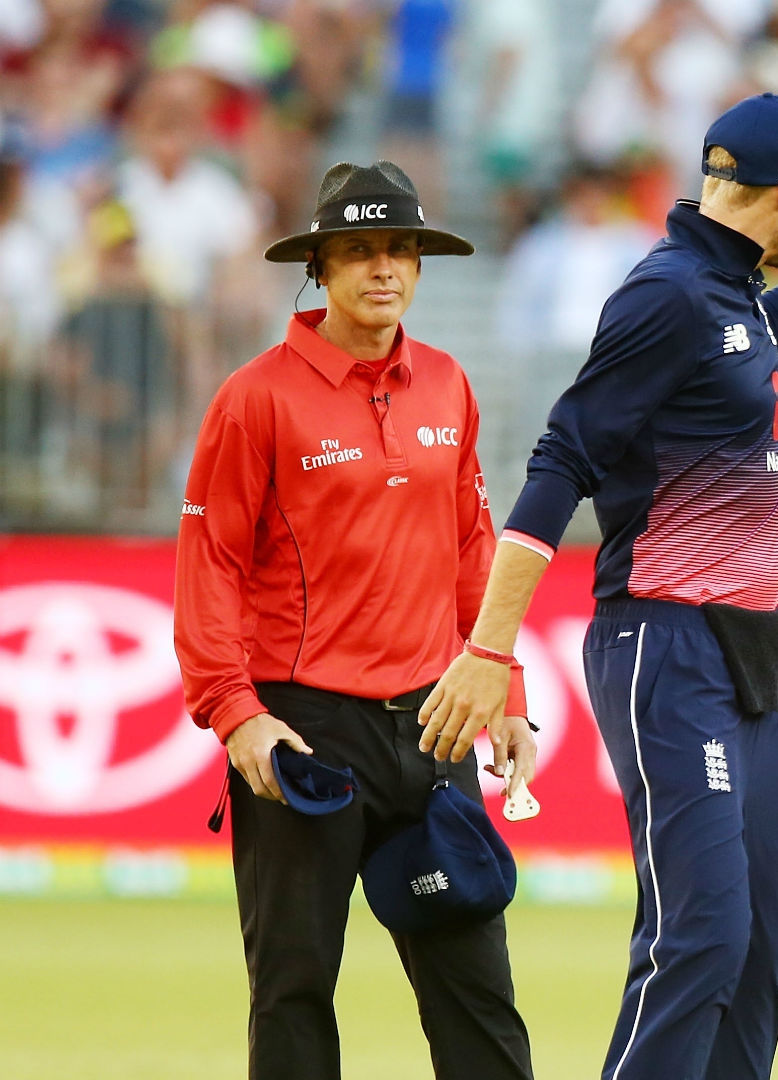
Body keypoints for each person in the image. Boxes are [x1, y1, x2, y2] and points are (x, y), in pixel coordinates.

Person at [417, 93, 778, 1080]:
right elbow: (562, 461)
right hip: (666, 642)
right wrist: (490, 650)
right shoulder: (667, 294)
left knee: (753, 951)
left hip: (750, 646)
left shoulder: (721, 296)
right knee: (701, 934)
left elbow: (760, 332)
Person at [172, 160, 536, 1080]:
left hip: (436, 722)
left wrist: (505, 690)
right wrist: (236, 713)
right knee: (293, 991)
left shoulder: (447, 382)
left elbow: (473, 548)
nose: (385, 268)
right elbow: (209, 563)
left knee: (478, 994)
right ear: (320, 269)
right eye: (361, 250)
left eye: (401, 250)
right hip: (307, 734)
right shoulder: (255, 397)